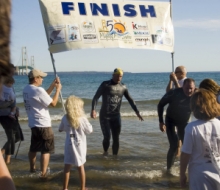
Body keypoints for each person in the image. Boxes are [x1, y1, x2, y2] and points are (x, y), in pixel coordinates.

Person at [91, 68, 143, 156]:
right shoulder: (105, 84)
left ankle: (115, 157)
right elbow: (96, 97)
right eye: (118, 76)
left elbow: (130, 100)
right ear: (113, 75)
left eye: (121, 76)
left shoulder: (123, 87)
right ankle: (105, 152)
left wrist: (137, 111)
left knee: (116, 138)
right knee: (107, 137)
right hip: (105, 116)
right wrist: (93, 109)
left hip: (116, 116)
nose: (119, 78)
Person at [23, 69, 62, 178]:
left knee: (33, 148)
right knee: (46, 150)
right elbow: (53, 103)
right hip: (43, 125)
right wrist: (58, 90)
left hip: (33, 124)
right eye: (41, 77)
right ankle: (43, 174)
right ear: (35, 79)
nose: (42, 79)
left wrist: (52, 85)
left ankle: (32, 169)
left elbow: (43, 96)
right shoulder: (38, 90)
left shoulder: (27, 89)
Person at [180, 89, 220, 189]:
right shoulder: (219, 124)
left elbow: (185, 154)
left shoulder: (192, 127)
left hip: (199, 175)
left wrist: (182, 174)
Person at [157, 78, 196, 172]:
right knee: (174, 145)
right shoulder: (174, 93)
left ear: (194, 87)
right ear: (182, 87)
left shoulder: (197, 95)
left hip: (184, 122)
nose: (189, 91)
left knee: (188, 146)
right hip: (170, 120)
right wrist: (161, 122)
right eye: (186, 88)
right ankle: (169, 170)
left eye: (191, 88)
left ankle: (190, 169)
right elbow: (160, 105)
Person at [59, 96, 93, 190]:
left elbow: (60, 129)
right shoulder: (82, 119)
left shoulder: (65, 118)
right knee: (80, 167)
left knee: (67, 167)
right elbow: (90, 130)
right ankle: (82, 188)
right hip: (80, 147)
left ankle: (65, 188)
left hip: (69, 146)